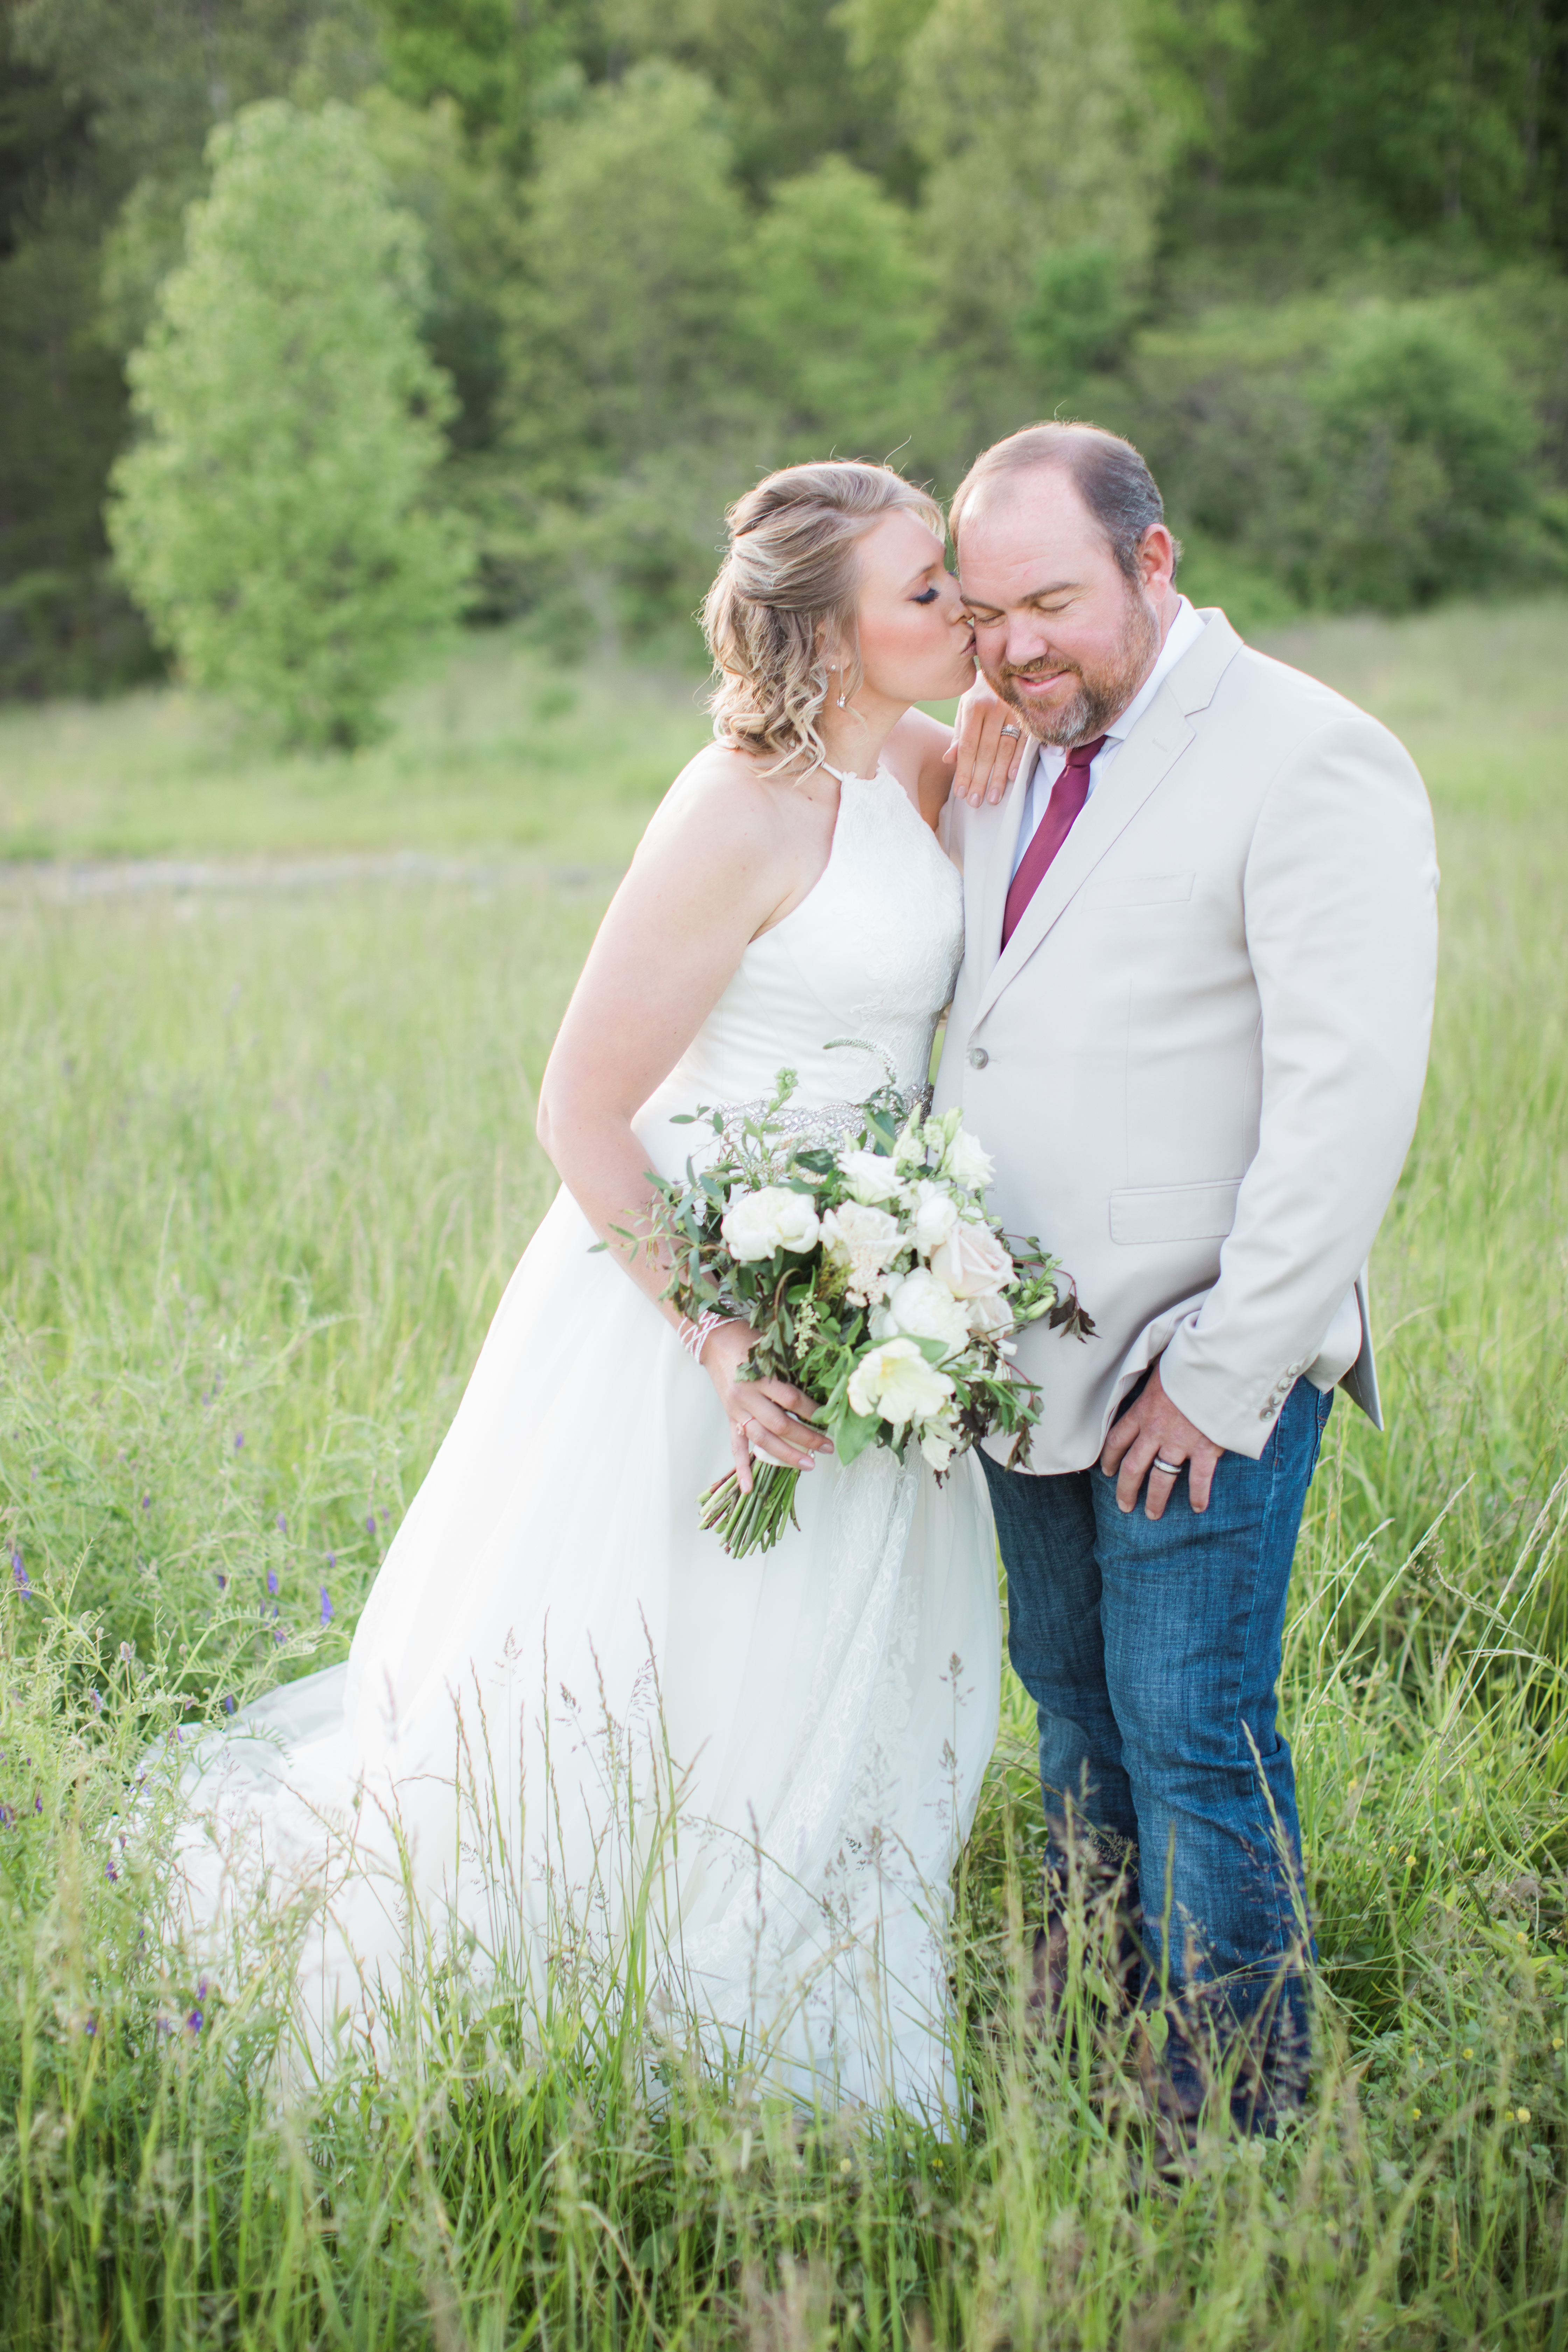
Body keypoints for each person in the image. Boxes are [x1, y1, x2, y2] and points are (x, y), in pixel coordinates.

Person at [168, 461, 1003, 2115]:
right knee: (642, 1659)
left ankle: (790, 1986)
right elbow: (580, 1104)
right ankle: (588, 1996)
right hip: (690, 1295)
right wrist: (716, 1324)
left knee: (827, 1655)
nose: (963, 615)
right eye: (928, 592)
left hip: (874, 1289)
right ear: (828, 634)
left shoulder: (923, 767)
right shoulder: (734, 811)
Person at [937, 421, 1439, 2133]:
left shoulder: (1310, 754)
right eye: (985, 611)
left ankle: (1240, 2122)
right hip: (1010, 1359)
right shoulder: (1009, 753)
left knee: (1189, 1736)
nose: (1014, 647)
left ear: (1154, 562)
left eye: (1052, 601)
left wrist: (1224, 1370)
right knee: (1071, 1722)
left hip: (1193, 1355)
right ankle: (1104, 2058)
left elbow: (1344, 1098)